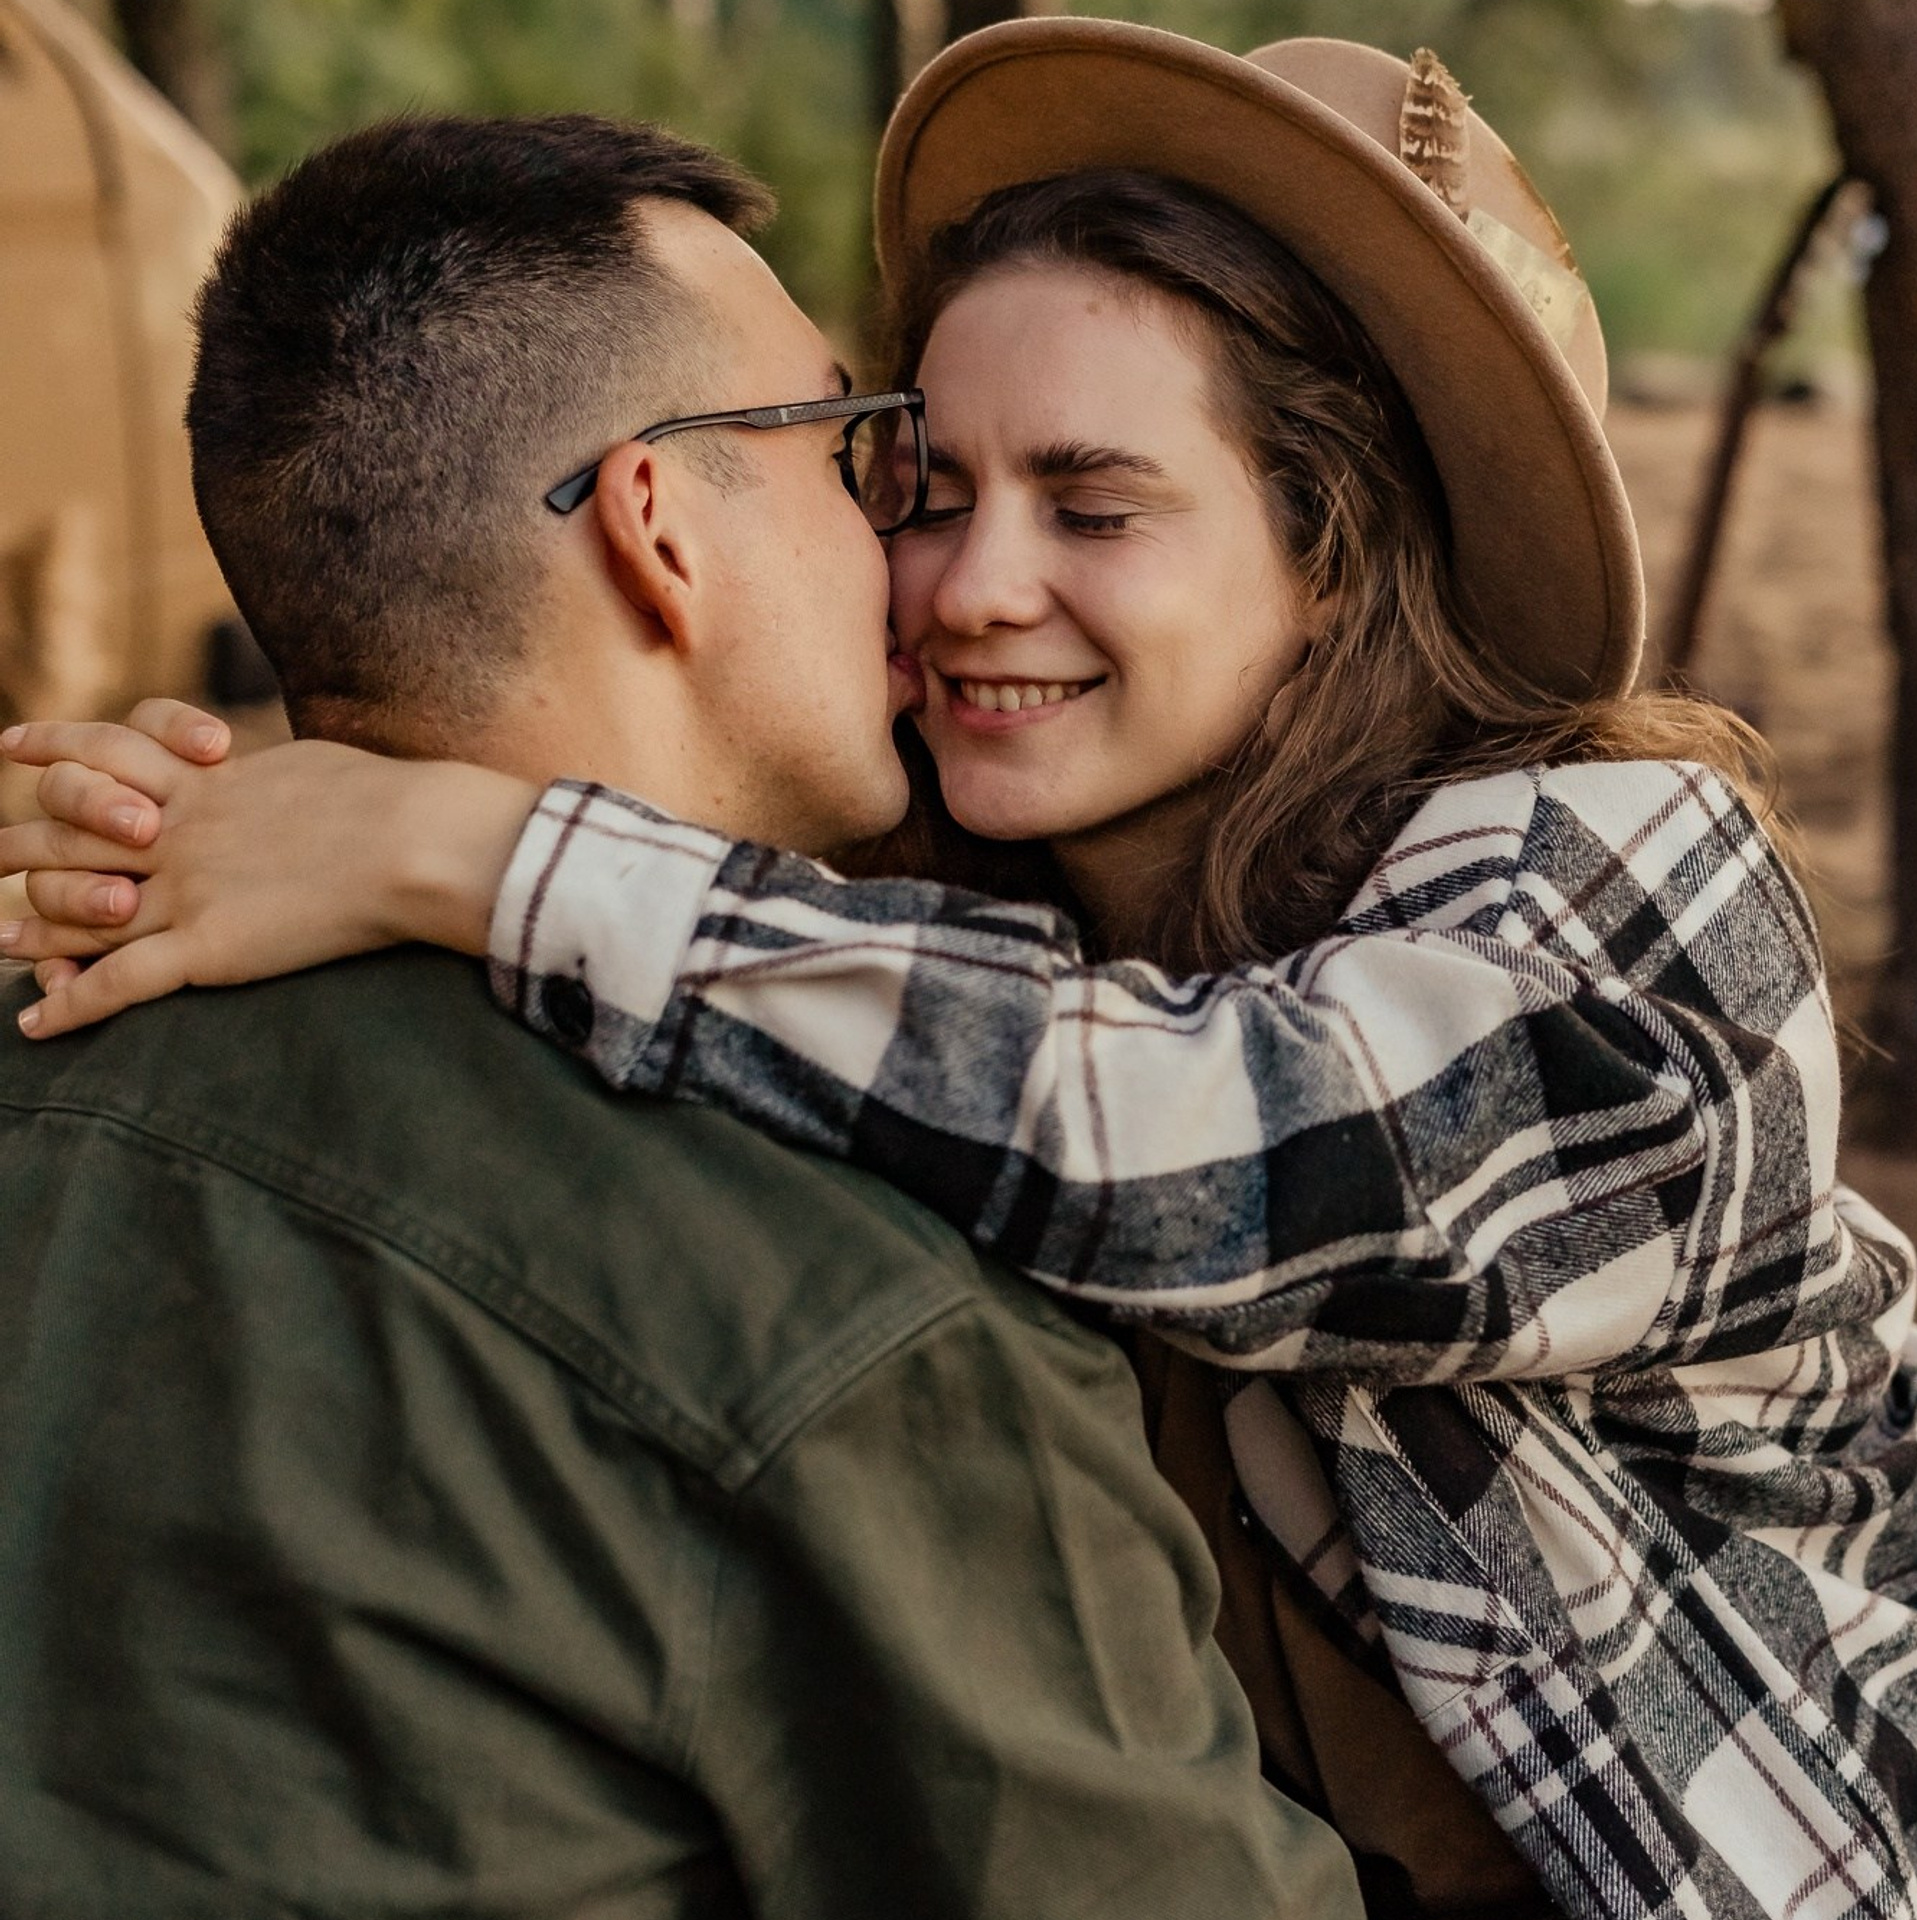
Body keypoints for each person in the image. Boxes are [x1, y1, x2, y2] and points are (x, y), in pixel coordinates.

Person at [6, 20, 1917, 1920]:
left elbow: (1245, 1145)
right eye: (915, 481)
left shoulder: (1621, 870)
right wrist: (183, 819)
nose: (965, 585)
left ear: (1335, 551)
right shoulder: (929, 895)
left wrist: (474, 848)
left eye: (1092, 507)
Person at [0, 109, 1370, 1919]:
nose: (930, 569)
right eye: (858, 454)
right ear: (658, 525)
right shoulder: (853, 1301)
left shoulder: (55, 1010)